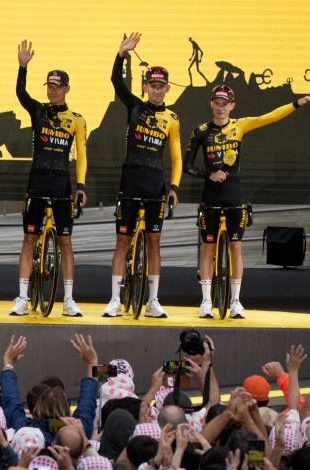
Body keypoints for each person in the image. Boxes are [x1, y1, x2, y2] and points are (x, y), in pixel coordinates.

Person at [183, 84, 310, 318]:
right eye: (217, 103)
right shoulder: (201, 131)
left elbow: (269, 117)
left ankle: (235, 301)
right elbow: (187, 166)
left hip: (234, 192)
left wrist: (296, 104)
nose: (221, 108)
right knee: (208, 248)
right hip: (211, 194)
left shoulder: (240, 125)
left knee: (236, 247)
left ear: (232, 106)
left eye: (226, 104)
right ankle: (206, 301)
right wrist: (209, 174)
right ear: (211, 104)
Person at [104, 32, 181, 319]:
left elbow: (175, 156)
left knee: (154, 243)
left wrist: (174, 187)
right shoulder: (135, 106)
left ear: (167, 89)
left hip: (155, 185)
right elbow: (115, 82)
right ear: (146, 86)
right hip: (131, 182)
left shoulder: (172, 119)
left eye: (162, 86)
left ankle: (153, 301)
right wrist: (121, 53)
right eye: (153, 85)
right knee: (122, 242)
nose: (157, 90)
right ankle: (114, 300)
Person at [11, 40, 87, 317]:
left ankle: (68, 299)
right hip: (38, 181)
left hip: (62, 184)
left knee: (66, 242)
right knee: (29, 240)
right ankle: (21, 297)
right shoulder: (39, 111)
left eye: (57, 87)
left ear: (67, 89)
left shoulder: (76, 119)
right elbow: (20, 93)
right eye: (49, 86)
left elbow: (82, 155)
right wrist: (22, 67)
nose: (53, 91)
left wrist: (80, 186)